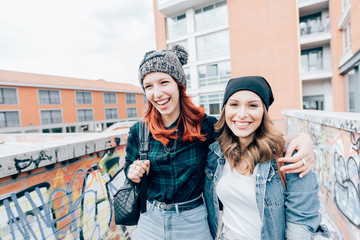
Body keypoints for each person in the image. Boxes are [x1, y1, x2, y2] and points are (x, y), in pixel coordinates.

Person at [124, 45, 316, 240]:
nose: (157, 93)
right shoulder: (139, 131)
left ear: (179, 85)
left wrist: (303, 139)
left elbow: (247, 134)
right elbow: (128, 171)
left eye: (164, 82)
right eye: (149, 86)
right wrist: (133, 173)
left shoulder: (206, 126)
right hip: (150, 219)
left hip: (193, 220)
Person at [204, 76, 328, 239]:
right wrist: (304, 136)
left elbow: (301, 227)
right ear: (225, 109)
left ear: (264, 111)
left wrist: (305, 139)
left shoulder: (289, 157)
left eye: (253, 105)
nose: (241, 114)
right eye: (234, 104)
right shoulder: (216, 153)